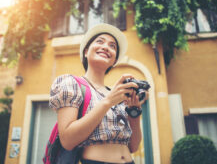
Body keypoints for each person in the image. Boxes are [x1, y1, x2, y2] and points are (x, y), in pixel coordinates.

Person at [49, 23, 149, 164]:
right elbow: (67, 140)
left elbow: (133, 147)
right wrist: (107, 102)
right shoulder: (71, 83)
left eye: (112, 46)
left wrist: (134, 113)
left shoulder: (116, 94)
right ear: (86, 51)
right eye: (100, 41)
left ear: (114, 60)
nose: (106, 47)